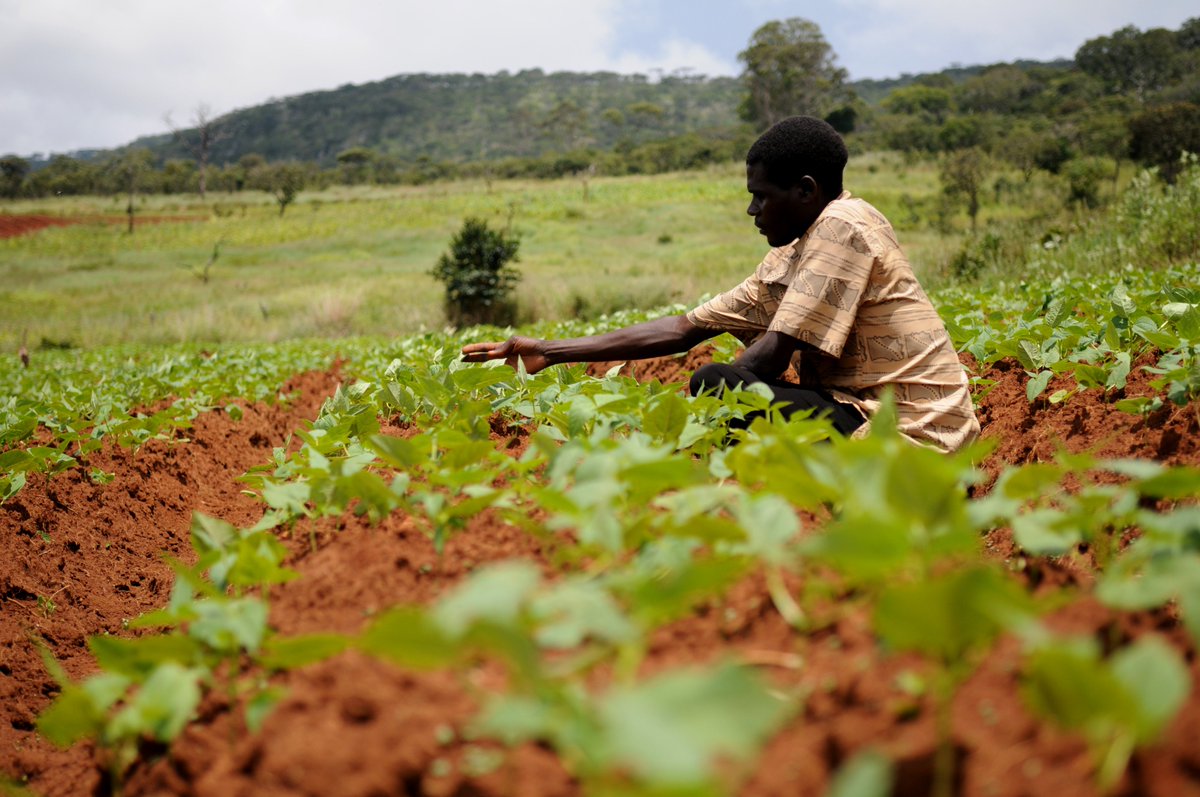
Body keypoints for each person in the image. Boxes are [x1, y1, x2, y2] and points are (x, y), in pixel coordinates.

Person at [461, 116, 980, 452]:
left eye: (761, 195)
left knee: (719, 384)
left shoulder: (846, 226)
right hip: (859, 416)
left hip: (916, 436)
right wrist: (548, 352)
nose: (752, 210)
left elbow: (770, 357)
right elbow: (685, 328)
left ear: (806, 190)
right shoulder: (791, 256)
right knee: (724, 385)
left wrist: (680, 425)